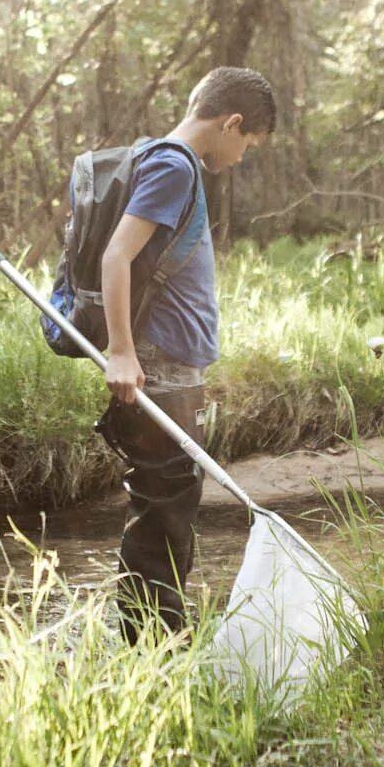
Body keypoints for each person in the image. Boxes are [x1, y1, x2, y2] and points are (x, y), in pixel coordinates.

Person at [96, 66, 275, 642]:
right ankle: (151, 652)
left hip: (174, 368)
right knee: (164, 514)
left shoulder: (167, 161)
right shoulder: (174, 166)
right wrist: (121, 351)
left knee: (168, 509)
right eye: (246, 144)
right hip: (161, 369)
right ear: (232, 122)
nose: (242, 157)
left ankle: (157, 637)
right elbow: (116, 256)